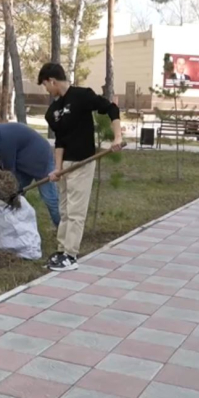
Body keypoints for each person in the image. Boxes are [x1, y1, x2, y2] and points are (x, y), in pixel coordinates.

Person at [40, 62, 122, 272]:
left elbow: (111, 108)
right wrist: (57, 169)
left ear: (53, 81)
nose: (46, 90)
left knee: (76, 211)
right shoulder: (53, 111)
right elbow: (59, 141)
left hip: (83, 162)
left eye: (45, 85)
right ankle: (61, 250)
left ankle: (70, 255)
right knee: (64, 209)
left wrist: (117, 137)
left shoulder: (82, 96)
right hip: (66, 165)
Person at [0, 119, 60, 227]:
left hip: (41, 159)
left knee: (49, 198)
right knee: (13, 195)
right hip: (24, 162)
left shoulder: (4, 140)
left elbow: (9, 173)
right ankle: (11, 224)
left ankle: (62, 227)